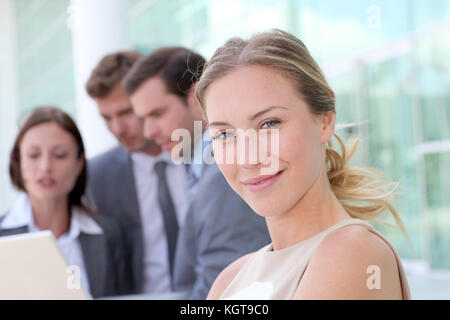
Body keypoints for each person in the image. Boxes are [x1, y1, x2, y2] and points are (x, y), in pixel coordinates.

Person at [195, 29, 412, 300]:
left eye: (269, 124)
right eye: (225, 134)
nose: (248, 158)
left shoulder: (353, 253)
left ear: (324, 122)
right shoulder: (230, 278)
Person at [122, 46, 271, 299]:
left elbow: (223, 288)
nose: (148, 132)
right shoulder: (202, 168)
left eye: (157, 114)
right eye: (143, 119)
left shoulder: (224, 174)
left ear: (195, 97)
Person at [85, 51, 190, 294]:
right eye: (106, 118)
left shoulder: (203, 156)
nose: (117, 128)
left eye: (125, 113)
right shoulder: (96, 177)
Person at [0, 106, 127, 298]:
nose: (45, 167)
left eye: (59, 155)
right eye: (33, 155)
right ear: (18, 162)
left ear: (79, 163)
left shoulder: (108, 235)